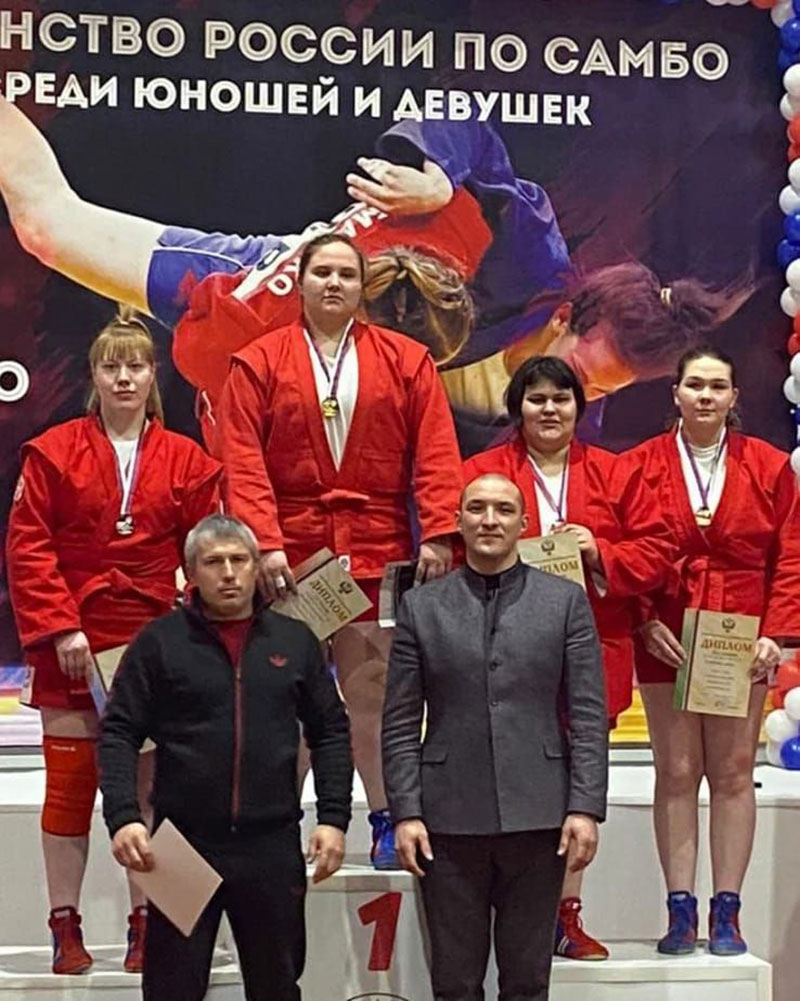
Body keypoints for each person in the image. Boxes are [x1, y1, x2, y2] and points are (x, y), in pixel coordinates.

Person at [0, 98, 741, 453]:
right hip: (270, 284)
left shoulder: (566, 419)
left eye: (601, 394)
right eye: (581, 373)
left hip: (301, 408)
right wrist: (439, 177)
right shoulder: (532, 260)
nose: (573, 400)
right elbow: (462, 120)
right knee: (46, 227)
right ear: (562, 319)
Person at [216, 231, 463, 868]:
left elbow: (437, 451)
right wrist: (265, 544)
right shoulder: (257, 361)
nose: (333, 283)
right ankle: (276, 823)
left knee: (373, 692)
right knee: (285, 697)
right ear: (299, 282)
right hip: (292, 557)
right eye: (321, 272)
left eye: (346, 274)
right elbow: (242, 461)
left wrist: (439, 530)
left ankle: (386, 820)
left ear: (362, 287)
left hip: (377, 547)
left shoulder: (407, 360)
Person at [5, 311, 222, 974]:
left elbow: (208, 550)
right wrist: (61, 625)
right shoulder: (51, 451)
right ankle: (64, 928)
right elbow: (28, 547)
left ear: (154, 375)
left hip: (154, 643)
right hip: (71, 640)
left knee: (154, 789)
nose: (124, 377)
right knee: (70, 789)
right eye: (111, 365)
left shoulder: (189, 459)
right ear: (93, 376)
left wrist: (185, 626)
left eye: (136, 365)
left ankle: (152, 927)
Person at [462, 355, 675, 961]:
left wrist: (600, 549)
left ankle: (564, 915)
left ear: (580, 407)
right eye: (536, 399)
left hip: (592, 651)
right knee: (509, 782)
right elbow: (455, 550)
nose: (549, 409)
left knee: (577, 788)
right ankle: (507, 912)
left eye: (561, 398)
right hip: (502, 653)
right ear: (517, 408)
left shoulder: (615, 472)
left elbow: (657, 548)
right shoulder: (482, 474)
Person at [98, 514, 353, 1001]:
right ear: (191, 572)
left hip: (271, 844)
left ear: (257, 566)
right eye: (214, 562)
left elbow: (331, 732)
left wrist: (334, 818)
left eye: (239, 560)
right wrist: (123, 817)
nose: (229, 573)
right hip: (181, 845)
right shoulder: (159, 643)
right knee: (172, 989)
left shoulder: (294, 641)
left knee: (276, 986)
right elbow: (118, 732)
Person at [382, 473, 608, 1001]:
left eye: (504, 510)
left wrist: (584, 808)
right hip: (446, 819)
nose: (489, 520)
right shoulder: (421, 606)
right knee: (455, 983)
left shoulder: (565, 601)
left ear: (524, 524)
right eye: (477, 509)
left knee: (527, 982)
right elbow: (400, 721)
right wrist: (406, 812)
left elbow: (588, 713)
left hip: (541, 816)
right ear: (458, 522)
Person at [627, 346, 800, 957]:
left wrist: (775, 633)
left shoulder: (770, 466)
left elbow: (792, 555)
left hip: (741, 635)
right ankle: (680, 909)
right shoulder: (638, 466)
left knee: (731, 772)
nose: (705, 396)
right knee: (675, 771)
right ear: (674, 393)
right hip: (668, 633)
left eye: (717, 386)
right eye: (695, 385)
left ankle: (727, 910)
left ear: (734, 397)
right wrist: (644, 621)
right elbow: (625, 551)